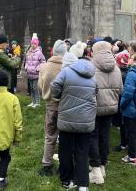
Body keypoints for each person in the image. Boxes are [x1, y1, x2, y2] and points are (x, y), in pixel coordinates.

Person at [51, 55, 97, 191]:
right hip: (86, 120)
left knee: (65, 150)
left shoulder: (66, 71)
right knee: (82, 152)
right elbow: (96, 93)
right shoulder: (93, 75)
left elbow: (55, 88)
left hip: (67, 119)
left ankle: (67, 180)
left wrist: (61, 96)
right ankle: (83, 184)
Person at [89, 41, 123, 185]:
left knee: (93, 136)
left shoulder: (91, 67)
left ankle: (96, 169)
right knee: (105, 136)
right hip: (111, 108)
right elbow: (120, 89)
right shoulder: (117, 68)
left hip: (95, 108)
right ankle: (102, 165)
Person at [37, 40, 67, 176]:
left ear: (53, 51)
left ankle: (47, 165)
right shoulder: (69, 66)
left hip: (51, 105)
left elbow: (39, 85)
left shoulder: (45, 66)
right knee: (66, 136)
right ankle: (64, 165)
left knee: (50, 135)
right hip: (66, 105)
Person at [113, 50, 130, 152]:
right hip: (127, 101)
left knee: (123, 123)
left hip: (122, 101)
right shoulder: (129, 71)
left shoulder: (120, 73)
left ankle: (124, 143)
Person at [24, 37, 46, 107]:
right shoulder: (29, 52)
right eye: (32, 44)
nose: (33, 45)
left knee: (35, 88)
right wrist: (26, 67)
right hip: (29, 73)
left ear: (37, 45)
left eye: (35, 44)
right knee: (31, 88)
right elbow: (26, 61)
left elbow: (43, 61)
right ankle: (33, 102)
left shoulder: (39, 52)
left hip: (36, 74)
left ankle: (37, 102)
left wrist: (37, 69)